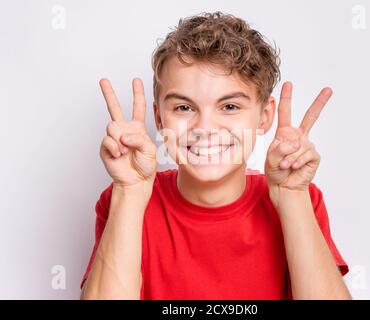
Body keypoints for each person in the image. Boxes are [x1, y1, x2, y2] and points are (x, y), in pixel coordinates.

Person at [80, 11, 351, 300]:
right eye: (184, 108)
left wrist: (292, 197)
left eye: (230, 107)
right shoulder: (124, 197)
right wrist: (130, 192)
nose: (205, 128)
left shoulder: (301, 198)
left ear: (264, 117)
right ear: (159, 119)